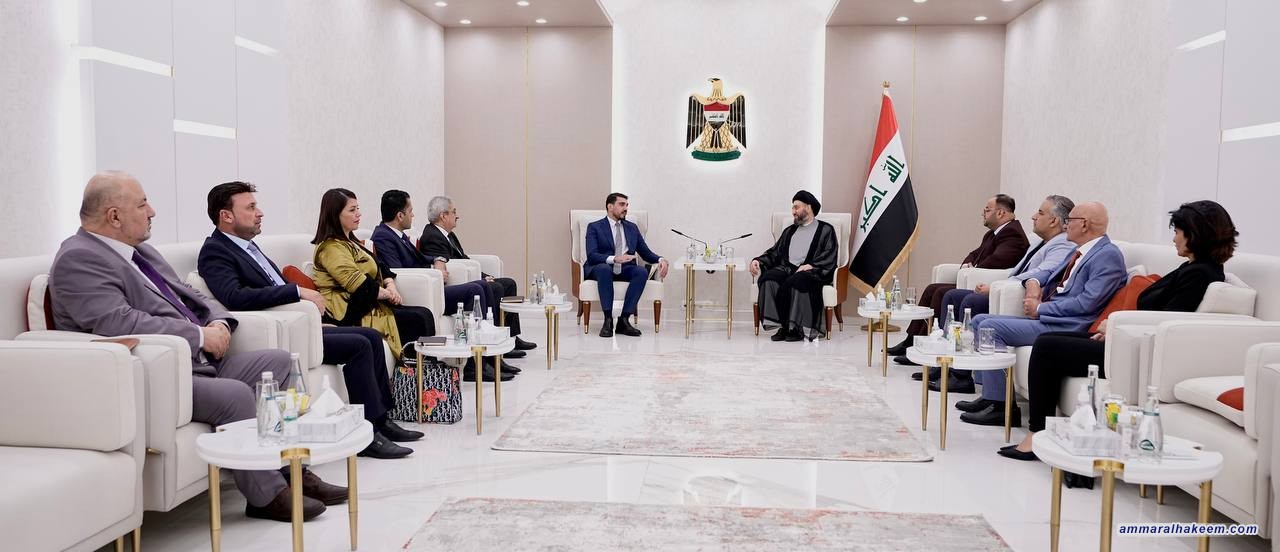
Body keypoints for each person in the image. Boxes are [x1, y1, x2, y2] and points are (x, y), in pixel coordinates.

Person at [49, 171, 345, 522]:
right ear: (114, 216)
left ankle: (293, 471)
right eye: (142, 205)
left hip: (200, 360)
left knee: (280, 364)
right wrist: (199, 336)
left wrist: (218, 323)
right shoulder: (78, 258)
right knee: (235, 395)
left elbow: (192, 294)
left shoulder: (140, 252)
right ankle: (266, 497)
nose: (152, 211)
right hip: (158, 374)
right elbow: (118, 322)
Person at [999, 200, 1238, 461]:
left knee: (1048, 347)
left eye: (1178, 231)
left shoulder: (1200, 274)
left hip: (1137, 352)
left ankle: (1037, 434)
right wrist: (1118, 328)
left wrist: (1117, 327)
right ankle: (1048, 434)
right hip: (1129, 341)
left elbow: (1168, 319)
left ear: (1196, 234)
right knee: (1049, 340)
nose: (1174, 238)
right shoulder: (1191, 268)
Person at [197, 181, 419, 459]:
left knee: (371, 337)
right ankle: (370, 435)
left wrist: (312, 318)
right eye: (251, 207)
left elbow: (271, 287)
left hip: (303, 323)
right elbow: (235, 297)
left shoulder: (249, 247)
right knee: (360, 344)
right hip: (283, 331)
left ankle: (381, 421)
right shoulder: (216, 251)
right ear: (226, 216)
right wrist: (298, 291)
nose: (260, 213)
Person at [959, 201, 1127, 427]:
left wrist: (1040, 309)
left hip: (1067, 325)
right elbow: (1047, 273)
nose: (1066, 226)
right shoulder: (1081, 250)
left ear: (1084, 224)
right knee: (980, 320)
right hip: (1053, 317)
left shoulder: (1107, 255)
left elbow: (1087, 304)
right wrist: (1033, 283)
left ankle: (1000, 407)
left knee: (990, 327)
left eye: (1070, 221)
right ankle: (992, 397)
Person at [915, 195, 1078, 389]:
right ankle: (947, 363)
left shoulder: (1062, 243)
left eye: (1040, 213)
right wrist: (995, 283)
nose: (1033, 216)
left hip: (1024, 297)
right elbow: (1016, 270)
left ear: (1054, 221)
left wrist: (994, 287)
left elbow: (1042, 272)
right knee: (952, 296)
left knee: (970, 302)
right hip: (1010, 288)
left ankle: (961, 375)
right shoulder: (1040, 241)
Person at [889, 194, 1031, 391]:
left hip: (986, 283)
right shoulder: (993, 233)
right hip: (975, 278)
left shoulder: (1012, 234)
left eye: (987, 209)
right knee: (933, 289)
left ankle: (942, 358)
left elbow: (999, 261)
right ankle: (912, 341)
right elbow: (974, 254)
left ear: (1001, 212)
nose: (983, 212)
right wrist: (968, 264)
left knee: (943, 294)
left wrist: (973, 269)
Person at [371, 190, 525, 356]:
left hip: (431, 286)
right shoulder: (383, 236)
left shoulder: (398, 235)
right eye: (410, 211)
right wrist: (433, 271)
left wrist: (438, 259)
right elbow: (396, 270)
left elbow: (421, 257)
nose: (413, 215)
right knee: (475, 290)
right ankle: (476, 359)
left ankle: (491, 351)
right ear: (400, 216)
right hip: (420, 291)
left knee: (483, 286)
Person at [417, 195, 537, 352]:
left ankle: (511, 337)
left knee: (508, 283)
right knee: (496, 287)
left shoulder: (448, 234)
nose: (457, 216)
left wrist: (484, 276)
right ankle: (494, 341)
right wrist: (481, 278)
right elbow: (450, 264)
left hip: (468, 277)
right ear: (443, 216)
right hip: (456, 284)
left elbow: (464, 259)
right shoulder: (432, 236)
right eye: (454, 212)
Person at [749, 190, 839, 341]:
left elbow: (830, 254)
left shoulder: (826, 230)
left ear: (808, 207)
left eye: (796, 207)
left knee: (796, 281)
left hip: (811, 272)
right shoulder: (789, 231)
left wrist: (811, 265)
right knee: (767, 279)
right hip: (787, 268)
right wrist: (759, 260)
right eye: (792, 208)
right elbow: (775, 252)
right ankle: (783, 326)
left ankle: (795, 328)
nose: (793, 212)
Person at [579, 192, 670, 337]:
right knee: (604, 269)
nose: (626, 208)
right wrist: (615, 258)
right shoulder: (594, 227)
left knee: (641, 272)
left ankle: (624, 320)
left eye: (627, 205)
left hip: (625, 268)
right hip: (601, 267)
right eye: (622, 204)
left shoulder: (632, 227)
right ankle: (608, 320)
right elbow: (592, 255)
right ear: (610, 207)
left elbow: (645, 252)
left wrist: (661, 259)